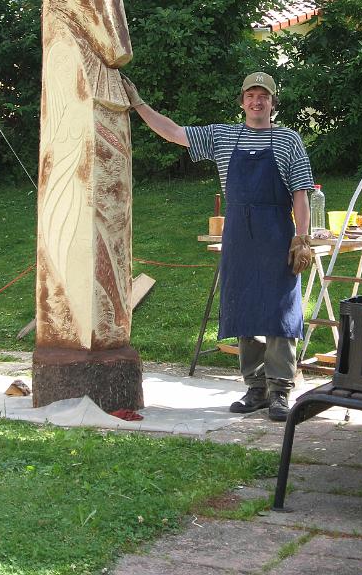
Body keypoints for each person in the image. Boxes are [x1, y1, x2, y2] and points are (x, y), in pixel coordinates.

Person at [121, 72, 314, 421]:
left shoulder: (288, 139)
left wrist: (301, 238)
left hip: (277, 236)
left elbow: (301, 193)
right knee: (242, 310)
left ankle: (279, 391)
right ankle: (256, 389)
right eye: (251, 95)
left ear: (273, 102)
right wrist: (138, 104)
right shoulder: (223, 136)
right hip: (238, 237)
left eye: (263, 96)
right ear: (242, 101)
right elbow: (174, 132)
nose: (257, 102)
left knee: (280, 314)